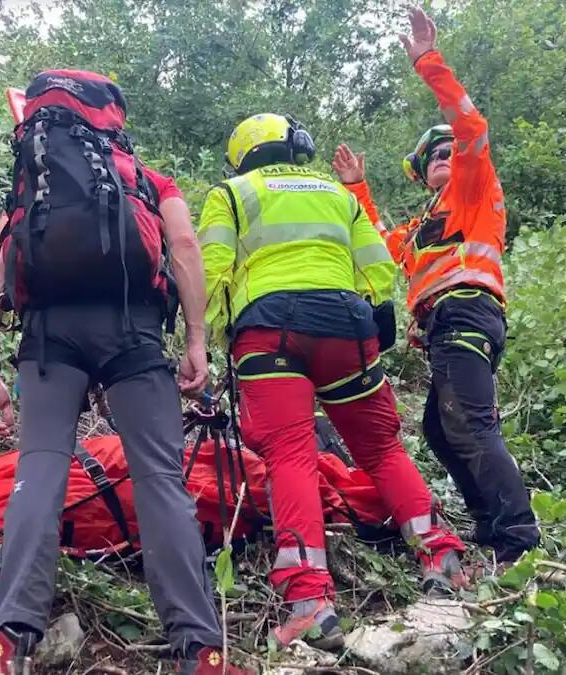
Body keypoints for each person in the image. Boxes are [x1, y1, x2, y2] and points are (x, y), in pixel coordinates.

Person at [0, 70, 248, 675]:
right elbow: (185, 248)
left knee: (38, 473)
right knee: (160, 478)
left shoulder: (35, 178)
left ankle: (7, 645)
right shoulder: (146, 178)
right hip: (133, 331)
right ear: (115, 117)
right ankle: (203, 653)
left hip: (47, 336)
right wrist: (195, 340)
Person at [198, 109, 468, 650]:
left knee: (291, 458)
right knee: (381, 449)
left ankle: (309, 602)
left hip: (269, 332)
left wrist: (217, 340)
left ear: (244, 152)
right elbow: (376, 265)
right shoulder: (334, 194)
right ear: (290, 144)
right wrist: (371, 317)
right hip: (347, 326)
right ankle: (442, 556)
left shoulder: (230, 193)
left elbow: (212, 272)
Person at [331, 6, 540, 565]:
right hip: (444, 322)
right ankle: (491, 528)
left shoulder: (473, 190)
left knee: (468, 424)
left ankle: (517, 541)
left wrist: (428, 60)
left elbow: (471, 127)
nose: (446, 157)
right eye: (434, 157)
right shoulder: (424, 228)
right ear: (422, 174)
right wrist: (357, 188)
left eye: (449, 152)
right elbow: (379, 243)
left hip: (469, 309)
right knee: (442, 433)